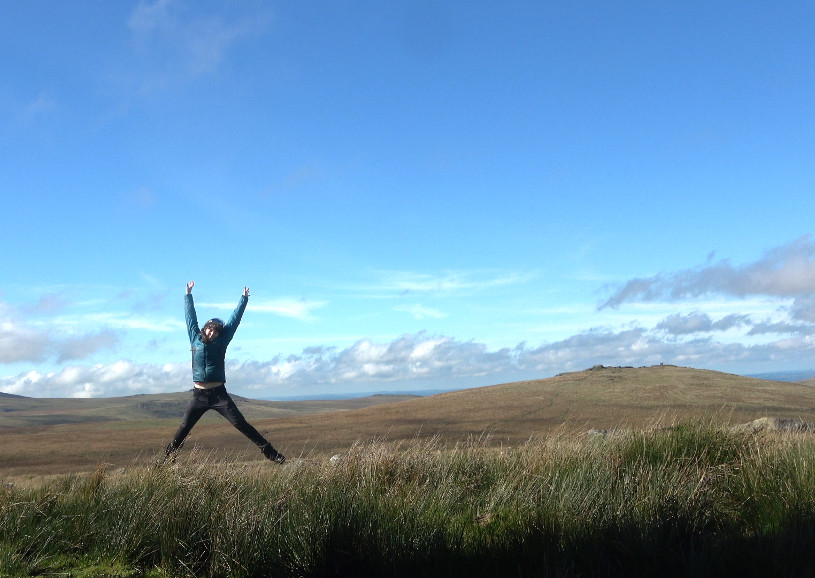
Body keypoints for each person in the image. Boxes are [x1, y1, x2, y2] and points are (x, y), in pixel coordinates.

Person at [164, 281, 285, 464]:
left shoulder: (222, 342)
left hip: (219, 395)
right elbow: (190, 317)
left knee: (240, 424)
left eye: (216, 331)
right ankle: (167, 460)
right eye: (210, 328)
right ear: (205, 328)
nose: (212, 332)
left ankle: (270, 453)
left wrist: (243, 300)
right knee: (184, 427)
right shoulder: (194, 338)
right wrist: (188, 295)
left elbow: (234, 321)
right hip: (199, 396)